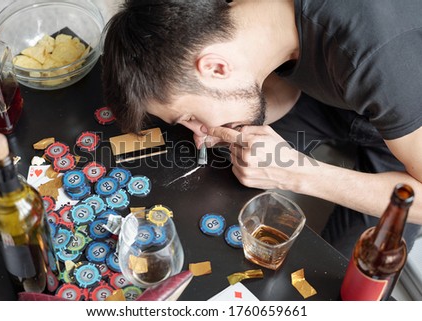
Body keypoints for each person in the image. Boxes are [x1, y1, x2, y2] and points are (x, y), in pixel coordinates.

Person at [101, 0, 422, 257]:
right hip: (336, 98)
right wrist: (239, 119)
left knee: (343, 279)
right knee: (221, 172)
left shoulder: (377, 56)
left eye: (189, 116)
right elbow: (287, 77)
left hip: (407, 138)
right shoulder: (237, 22)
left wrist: (297, 172)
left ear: (215, 67)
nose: (198, 132)